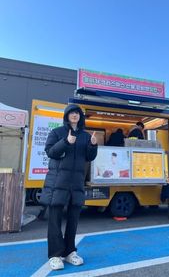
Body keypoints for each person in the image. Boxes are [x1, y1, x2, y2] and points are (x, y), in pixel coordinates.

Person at [40, 104, 98, 271]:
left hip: (76, 183)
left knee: (73, 219)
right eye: (72, 113)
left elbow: (89, 157)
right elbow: (50, 152)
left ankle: (70, 251)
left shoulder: (86, 136)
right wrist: (66, 142)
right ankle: (55, 255)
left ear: (81, 116)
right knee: (55, 220)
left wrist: (93, 145)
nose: (75, 115)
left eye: (77, 113)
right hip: (58, 182)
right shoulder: (57, 132)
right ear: (66, 115)